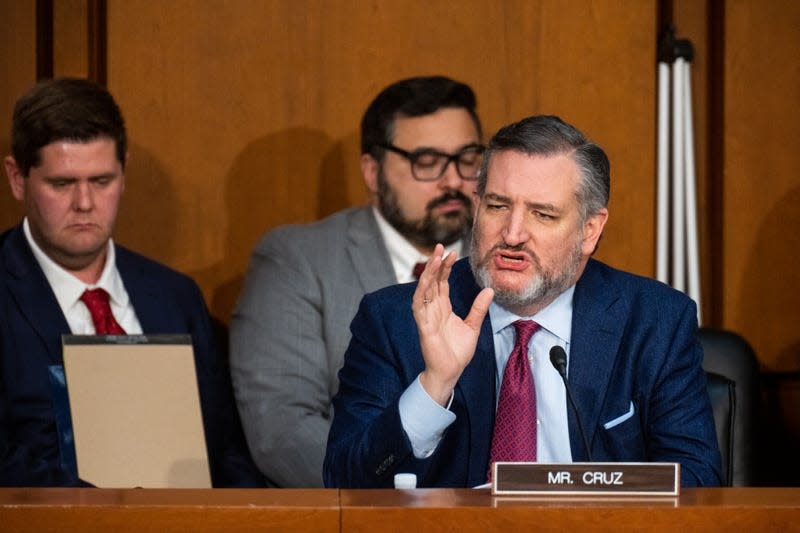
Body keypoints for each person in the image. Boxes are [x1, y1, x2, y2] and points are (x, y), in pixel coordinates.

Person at [324, 114, 722, 488]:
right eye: (497, 206)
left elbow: (696, 483)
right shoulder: (395, 320)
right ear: (476, 207)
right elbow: (346, 482)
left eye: (542, 214)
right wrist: (434, 386)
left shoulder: (655, 322)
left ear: (589, 230)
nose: (512, 234)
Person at [0, 77, 263, 487]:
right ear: (18, 179)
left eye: (102, 181)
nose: (85, 203)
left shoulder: (175, 297)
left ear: (124, 173)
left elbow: (224, 450)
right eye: (62, 184)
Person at [230, 75, 483, 487]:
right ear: (372, 170)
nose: (453, 180)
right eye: (427, 161)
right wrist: (405, 505)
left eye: (468, 158)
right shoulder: (299, 261)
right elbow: (283, 432)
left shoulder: (508, 259)